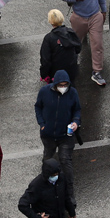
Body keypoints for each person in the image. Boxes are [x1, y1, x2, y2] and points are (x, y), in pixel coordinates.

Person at [35, 70, 81, 198]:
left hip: (65, 136)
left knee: (65, 160)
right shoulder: (44, 92)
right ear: (55, 84)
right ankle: (44, 187)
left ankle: (69, 192)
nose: (63, 87)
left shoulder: (72, 93)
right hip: (48, 135)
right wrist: (42, 123)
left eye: (65, 85)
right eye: (60, 85)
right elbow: (38, 107)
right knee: (47, 159)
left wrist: (76, 122)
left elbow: (77, 110)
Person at [64, 0, 108, 86]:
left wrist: (103, 12)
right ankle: (72, 66)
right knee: (75, 44)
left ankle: (97, 72)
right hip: (79, 17)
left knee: (97, 44)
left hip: (95, 16)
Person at [39, 9, 81, 86]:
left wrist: (44, 74)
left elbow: (45, 60)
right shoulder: (71, 32)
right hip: (71, 71)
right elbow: (78, 49)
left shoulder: (49, 38)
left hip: (56, 74)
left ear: (50, 21)